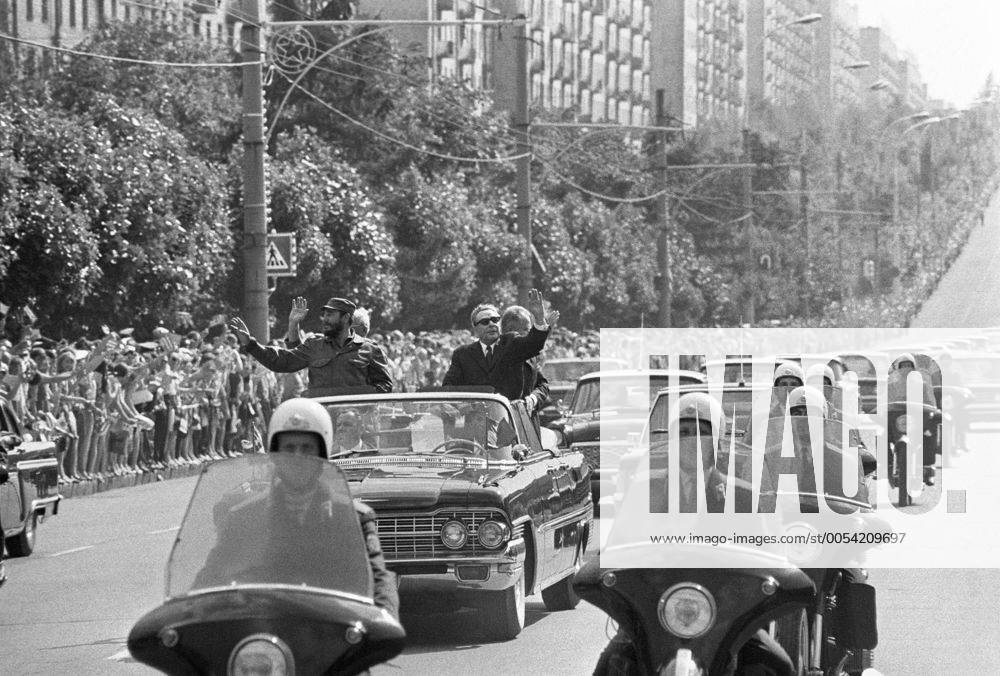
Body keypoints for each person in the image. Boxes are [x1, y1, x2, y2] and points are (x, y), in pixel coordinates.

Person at [599, 391, 793, 676]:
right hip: (657, 613)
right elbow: (619, 545)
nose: (692, 440)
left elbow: (767, 555)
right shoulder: (645, 489)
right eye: (684, 431)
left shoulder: (742, 495)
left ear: (718, 439)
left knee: (778, 666)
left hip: (727, 617)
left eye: (702, 431)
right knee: (610, 664)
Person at [194, 398, 399, 619]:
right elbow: (210, 579)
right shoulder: (243, 516)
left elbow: (379, 578)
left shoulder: (353, 518)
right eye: (289, 448)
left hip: (333, 633)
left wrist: (384, 617)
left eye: (307, 448)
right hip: (265, 635)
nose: (297, 457)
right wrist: (190, 615)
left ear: (322, 456)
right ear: (275, 455)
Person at [231, 298, 393, 397]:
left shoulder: (370, 349)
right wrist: (250, 344)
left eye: (330, 315)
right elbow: (281, 361)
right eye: (325, 315)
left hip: (358, 426)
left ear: (346, 318)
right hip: (321, 422)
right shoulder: (314, 346)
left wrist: (359, 399)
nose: (325, 320)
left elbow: (385, 386)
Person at [442, 288, 559, 401]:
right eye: (485, 321)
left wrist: (539, 319)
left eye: (495, 319)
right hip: (478, 419)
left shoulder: (511, 342)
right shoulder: (462, 354)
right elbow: (449, 387)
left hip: (510, 417)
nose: (491, 324)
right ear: (475, 330)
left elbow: (533, 345)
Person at [499, 305, 550, 417]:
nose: (530, 333)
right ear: (511, 333)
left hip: (528, 423)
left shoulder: (531, 357)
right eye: (527, 329)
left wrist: (533, 398)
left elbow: (542, 384)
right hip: (505, 420)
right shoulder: (499, 353)